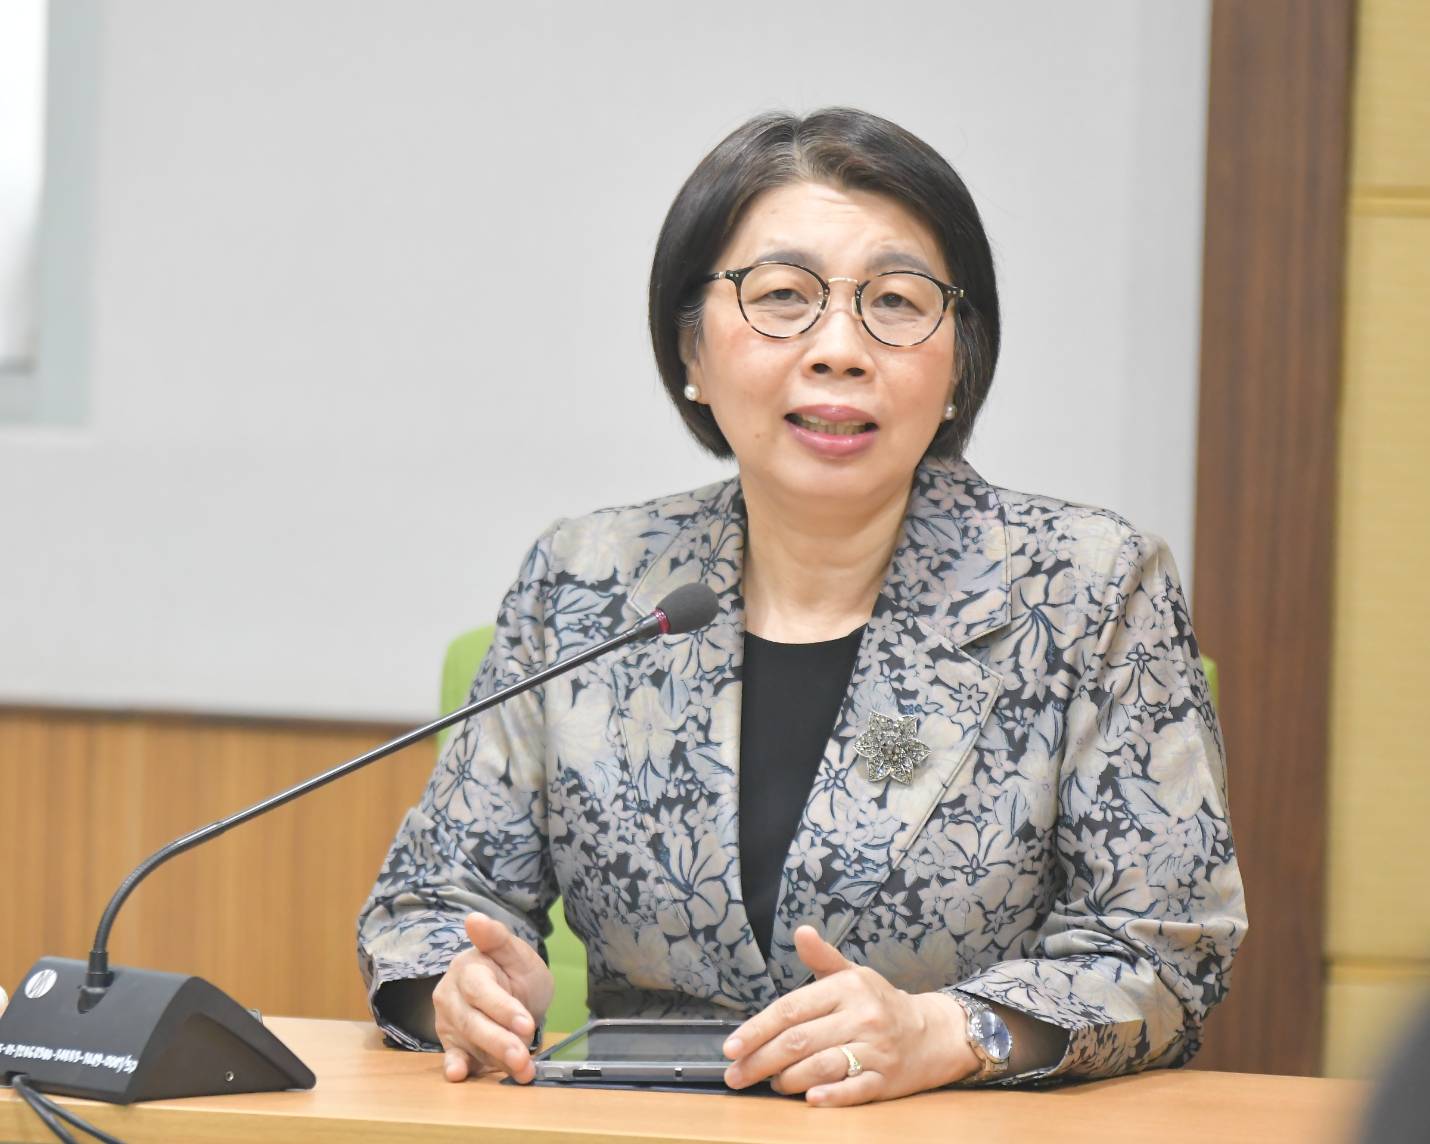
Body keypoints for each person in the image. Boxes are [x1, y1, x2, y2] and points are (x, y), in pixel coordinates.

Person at [357, 107, 1246, 1106]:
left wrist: (951, 1031)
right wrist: (462, 987)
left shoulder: (1084, 589)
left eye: (896, 301)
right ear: (691, 352)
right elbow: (430, 901)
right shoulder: (588, 580)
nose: (839, 348)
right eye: (782, 296)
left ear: (958, 361)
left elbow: (1163, 948)